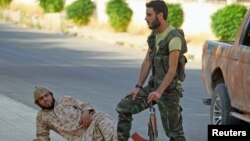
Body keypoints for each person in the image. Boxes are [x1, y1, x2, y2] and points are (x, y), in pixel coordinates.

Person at [116, 1, 187, 141]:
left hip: (169, 92)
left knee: (175, 134)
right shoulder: (154, 35)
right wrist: (138, 87)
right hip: (154, 87)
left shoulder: (174, 38)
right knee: (124, 107)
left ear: (160, 15)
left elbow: (172, 71)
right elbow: (148, 61)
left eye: (149, 15)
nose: (146, 18)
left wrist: (159, 92)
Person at [32, 85, 118, 141]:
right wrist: (39, 139)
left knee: (115, 136)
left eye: (46, 96)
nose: (45, 99)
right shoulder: (41, 117)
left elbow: (85, 105)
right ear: (38, 103)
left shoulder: (65, 100)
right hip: (82, 138)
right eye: (41, 98)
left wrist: (86, 112)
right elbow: (43, 135)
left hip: (95, 121)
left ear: (51, 95)